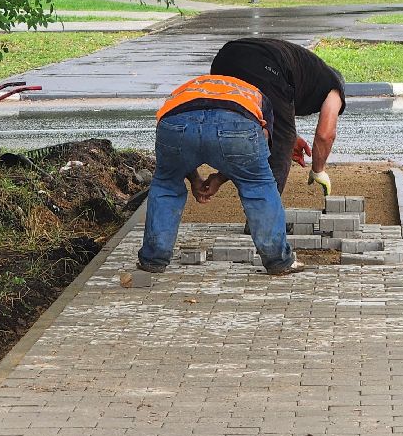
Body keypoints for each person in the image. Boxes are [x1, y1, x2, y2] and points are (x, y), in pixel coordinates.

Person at [137, 73, 300, 275]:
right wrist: (222, 177)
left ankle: (154, 258)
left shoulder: (186, 88)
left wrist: (195, 178)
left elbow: (181, 149)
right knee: (258, 184)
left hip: (176, 124)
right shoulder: (256, 95)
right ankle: (278, 261)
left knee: (166, 183)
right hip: (236, 125)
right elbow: (255, 154)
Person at [195, 37, 347, 201]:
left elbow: (272, 115)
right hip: (265, 64)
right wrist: (318, 170)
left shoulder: (308, 73)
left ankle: (216, 180)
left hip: (226, 58)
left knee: (245, 134)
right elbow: (325, 134)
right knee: (282, 142)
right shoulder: (334, 86)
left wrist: (287, 134)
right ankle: (265, 222)